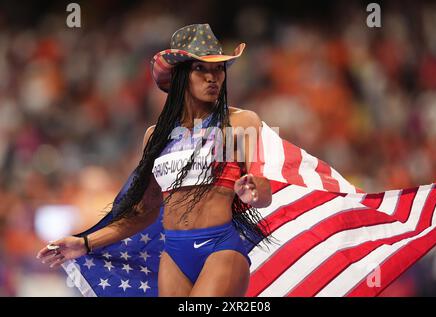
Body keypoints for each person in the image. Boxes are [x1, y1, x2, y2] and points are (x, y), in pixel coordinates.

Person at [36, 23, 273, 297]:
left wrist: (254, 190)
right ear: (180, 75)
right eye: (201, 68)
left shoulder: (240, 122)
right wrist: (85, 243)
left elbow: (263, 193)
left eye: (218, 68)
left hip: (219, 248)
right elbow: (143, 212)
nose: (213, 77)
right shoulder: (155, 137)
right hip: (173, 255)